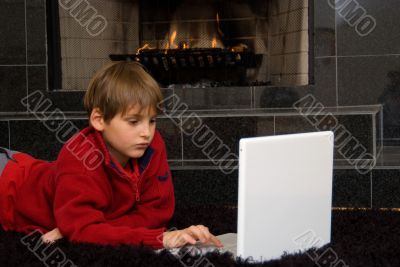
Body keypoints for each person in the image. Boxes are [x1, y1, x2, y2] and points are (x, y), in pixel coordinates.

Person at [0, 61, 222, 249]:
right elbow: (83, 230)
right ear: (99, 120)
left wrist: (91, 227)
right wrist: (158, 238)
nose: (146, 132)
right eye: (133, 121)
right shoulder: (79, 156)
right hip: (8, 186)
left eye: (152, 120)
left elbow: (157, 213)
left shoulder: (153, 145)